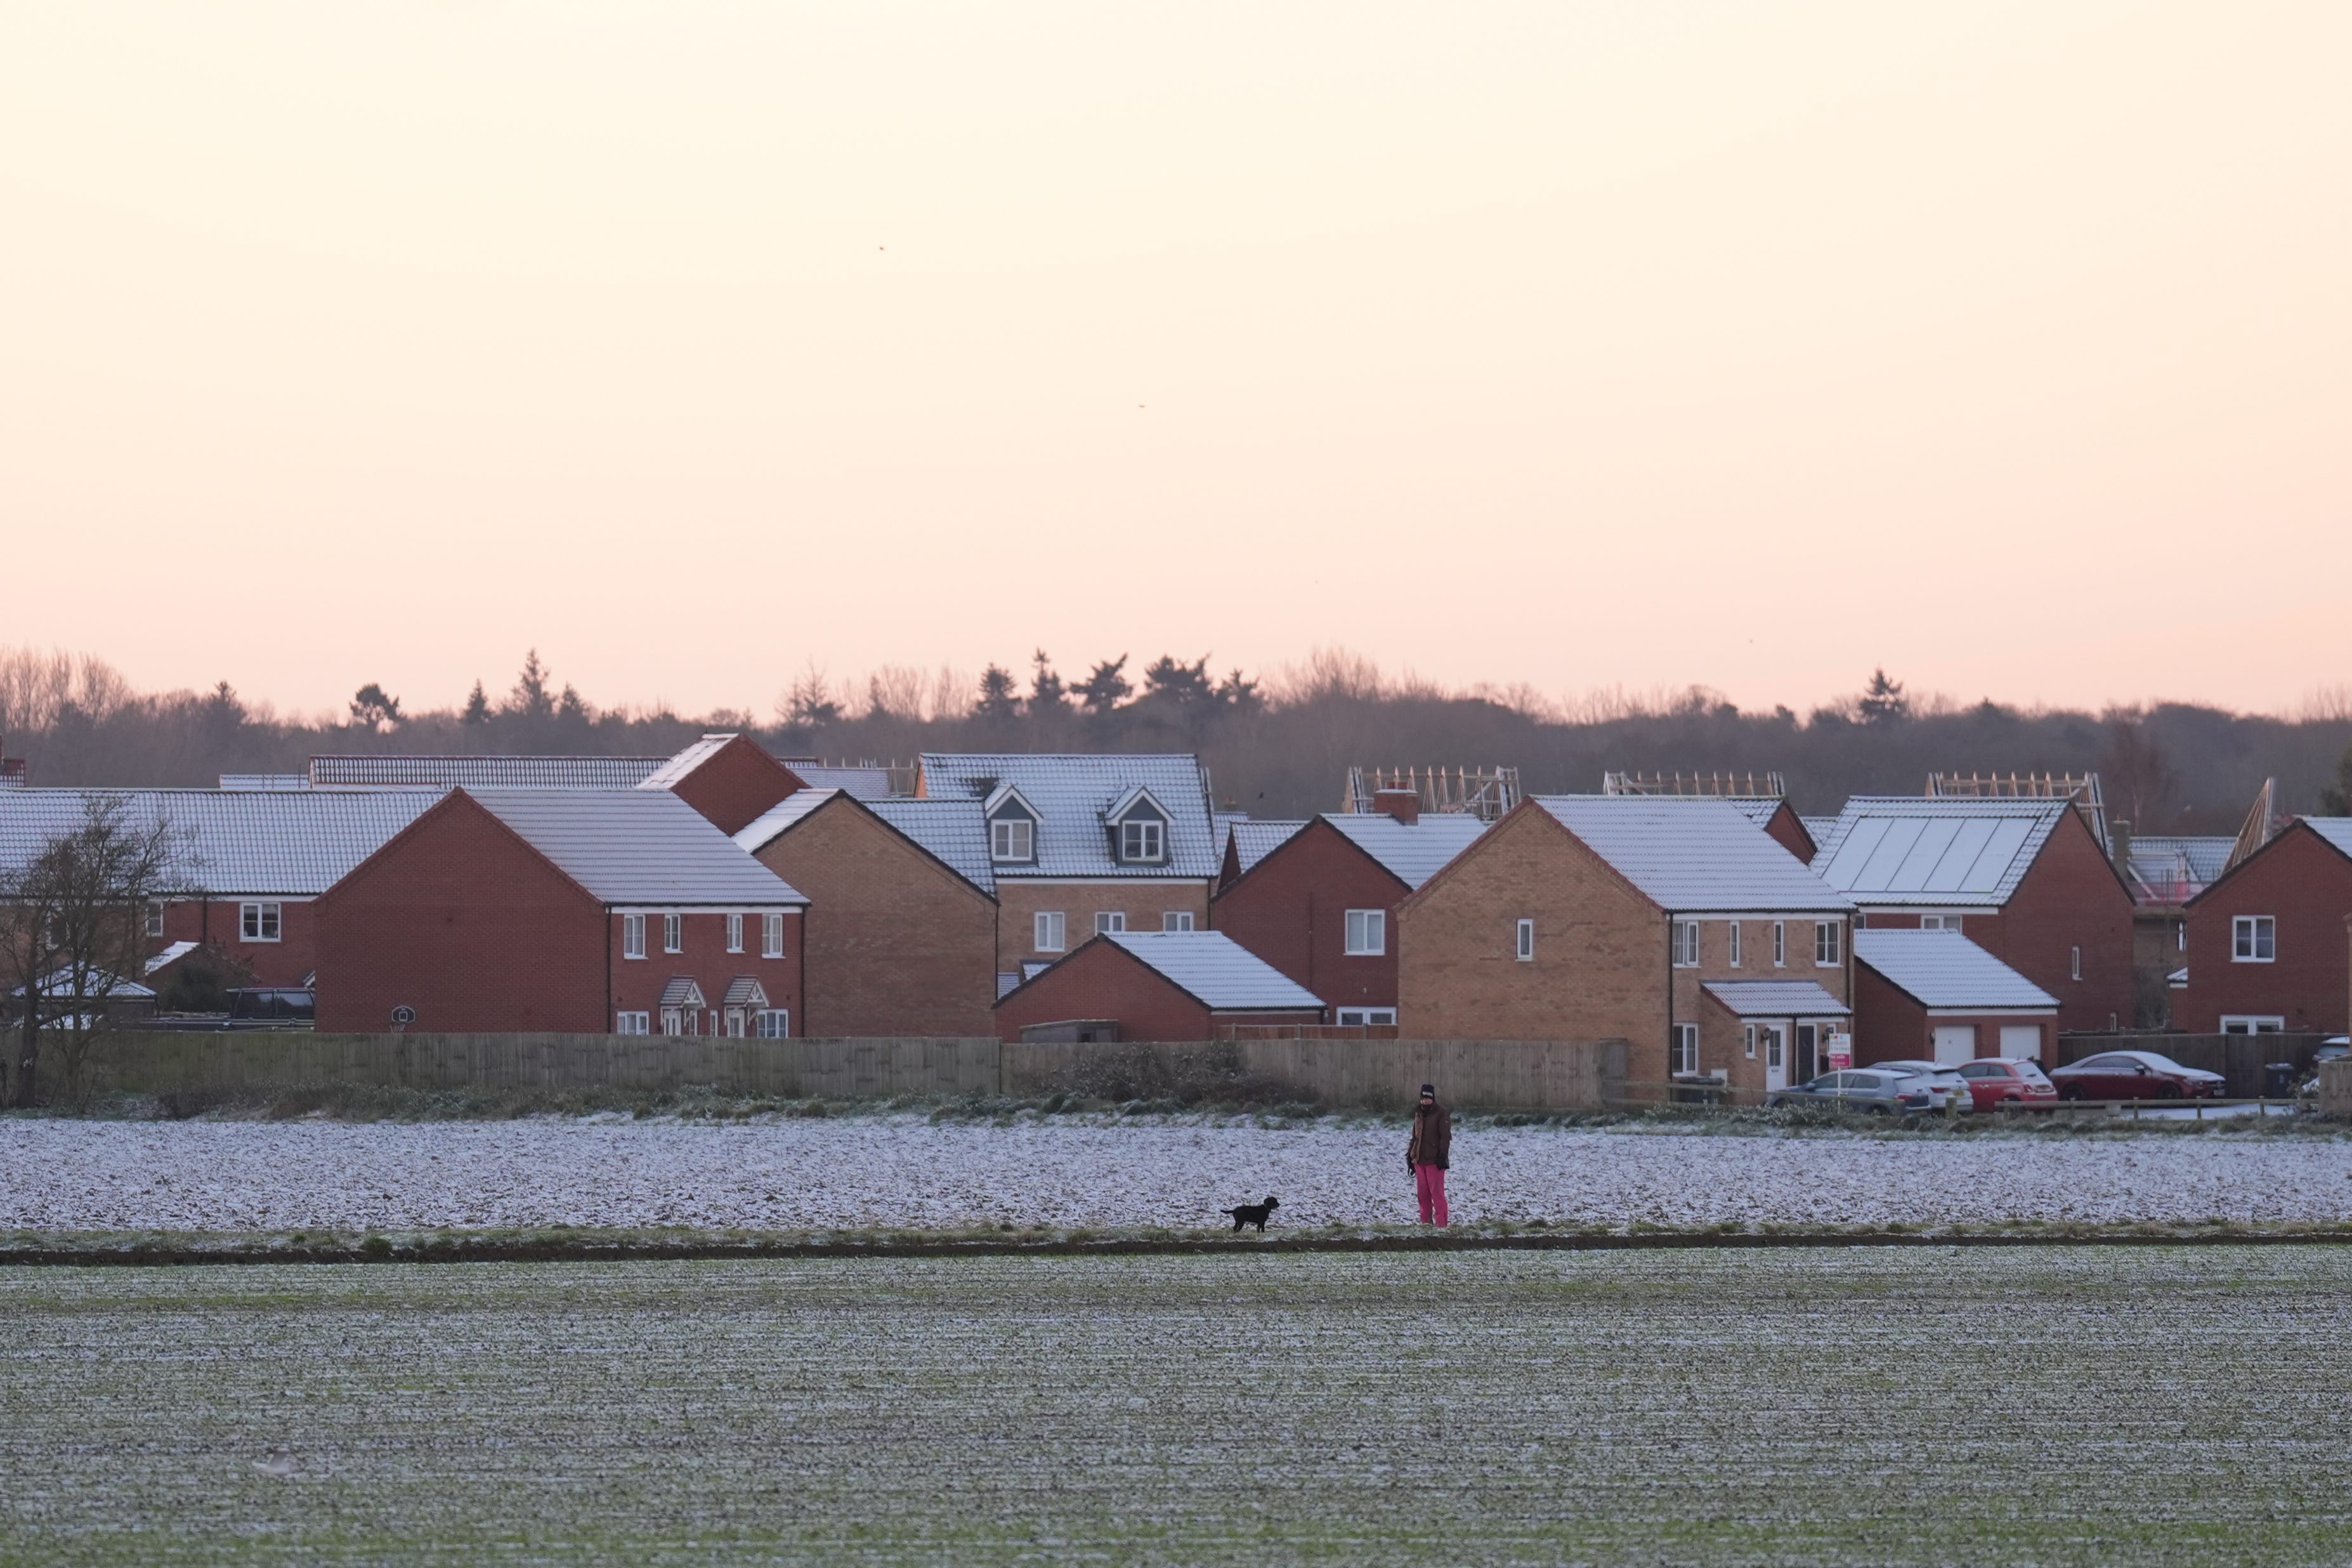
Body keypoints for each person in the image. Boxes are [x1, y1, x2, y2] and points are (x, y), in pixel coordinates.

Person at [1405, 1083, 1451, 1226]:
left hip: (1435, 1161)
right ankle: (1426, 1224)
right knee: (1422, 1196)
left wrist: (1443, 1155)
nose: (1425, 1101)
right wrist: (1410, 1155)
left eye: (1427, 1098)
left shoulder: (1442, 1113)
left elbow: (1445, 1136)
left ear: (1433, 1098)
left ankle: (1442, 1225)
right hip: (1419, 1161)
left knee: (1437, 1195)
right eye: (1422, 1098)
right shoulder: (1418, 1114)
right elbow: (1415, 1136)